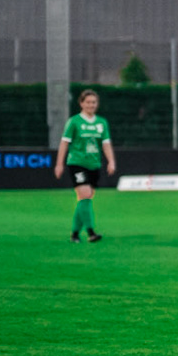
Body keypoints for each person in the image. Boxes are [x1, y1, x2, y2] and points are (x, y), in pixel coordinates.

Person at [54, 88, 116, 243]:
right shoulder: (74, 121)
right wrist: (59, 164)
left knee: (85, 198)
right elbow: (64, 143)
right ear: (81, 103)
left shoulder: (101, 122)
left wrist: (111, 161)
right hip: (77, 163)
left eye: (94, 102)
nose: (91, 105)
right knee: (86, 194)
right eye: (88, 102)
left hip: (94, 164)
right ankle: (91, 232)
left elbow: (106, 143)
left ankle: (75, 234)